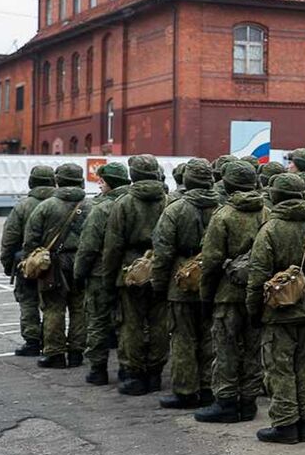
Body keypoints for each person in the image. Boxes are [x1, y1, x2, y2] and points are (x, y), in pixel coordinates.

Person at [244, 173, 305, 444]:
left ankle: (285, 423)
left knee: (279, 368)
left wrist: (254, 311)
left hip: (278, 310)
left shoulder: (269, 230)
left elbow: (257, 276)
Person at [195, 160, 268, 424]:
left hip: (227, 293)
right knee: (253, 347)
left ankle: (226, 402)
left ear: (227, 184)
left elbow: (211, 261)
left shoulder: (223, 215)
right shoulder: (266, 212)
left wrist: (206, 296)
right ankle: (248, 401)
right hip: (258, 291)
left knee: (225, 347)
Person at [151, 158, 221, 408]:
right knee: (210, 335)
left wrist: (159, 285)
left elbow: (163, 252)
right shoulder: (222, 207)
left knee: (182, 337)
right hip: (213, 278)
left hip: (180, 282)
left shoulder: (175, 209)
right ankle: (208, 387)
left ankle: (185, 390)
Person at [102, 154, 170, 395]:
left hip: (130, 270)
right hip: (160, 267)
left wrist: (108, 279)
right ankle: (154, 373)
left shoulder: (124, 203)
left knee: (130, 324)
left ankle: (133, 375)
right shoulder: (168, 200)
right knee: (159, 323)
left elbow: (113, 245)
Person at [22, 162, 92, 367]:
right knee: (79, 308)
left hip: (53, 264)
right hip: (82, 261)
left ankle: (55, 354)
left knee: (53, 308)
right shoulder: (91, 206)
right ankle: (77, 353)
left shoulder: (46, 206)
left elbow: (31, 239)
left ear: (58, 181)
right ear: (81, 181)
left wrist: (30, 259)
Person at [76, 162, 130, 384]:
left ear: (109, 183)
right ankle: (128, 369)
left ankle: (98, 370)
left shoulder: (101, 209)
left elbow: (88, 246)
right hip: (130, 272)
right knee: (129, 322)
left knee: (98, 320)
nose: (99, 185)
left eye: (102, 181)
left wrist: (79, 273)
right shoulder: (133, 202)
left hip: (100, 273)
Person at [0, 164, 57, 356]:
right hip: (57, 263)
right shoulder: (62, 203)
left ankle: (32, 342)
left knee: (28, 301)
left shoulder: (22, 206)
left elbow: (10, 238)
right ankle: (54, 343)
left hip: (28, 263)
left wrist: (8, 265)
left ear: (31, 181)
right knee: (54, 304)